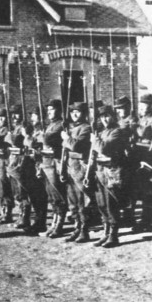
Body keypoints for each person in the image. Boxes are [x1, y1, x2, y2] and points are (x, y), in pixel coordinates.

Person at [87, 105, 131, 248]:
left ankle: (114, 235)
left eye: (107, 116)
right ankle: (105, 233)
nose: (105, 119)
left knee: (111, 204)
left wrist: (95, 141)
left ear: (113, 116)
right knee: (101, 204)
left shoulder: (117, 132)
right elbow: (94, 154)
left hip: (111, 172)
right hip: (99, 172)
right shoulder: (101, 132)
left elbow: (105, 149)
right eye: (102, 117)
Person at [60, 102, 94, 243]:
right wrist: (62, 168)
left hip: (80, 168)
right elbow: (65, 151)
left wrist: (66, 138)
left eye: (78, 112)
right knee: (72, 202)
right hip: (69, 167)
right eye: (72, 111)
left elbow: (76, 146)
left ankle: (84, 231)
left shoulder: (86, 128)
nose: (74, 114)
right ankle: (77, 228)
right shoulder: (70, 128)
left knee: (82, 202)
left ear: (84, 113)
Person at [131, 93, 152, 231]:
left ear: (151, 106)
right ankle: (144, 220)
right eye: (140, 105)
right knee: (141, 191)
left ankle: (148, 221)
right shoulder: (140, 120)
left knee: (150, 191)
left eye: (144, 105)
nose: (141, 108)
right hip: (140, 158)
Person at [37, 99, 68, 238]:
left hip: (55, 164)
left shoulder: (61, 125)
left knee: (58, 195)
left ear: (59, 110)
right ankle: (53, 224)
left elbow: (48, 140)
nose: (49, 112)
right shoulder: (50, 125)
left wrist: (40, 137)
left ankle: (59, 225)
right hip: (46, 163)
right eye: (48, 110)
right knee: (51, 196)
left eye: (52, 109)